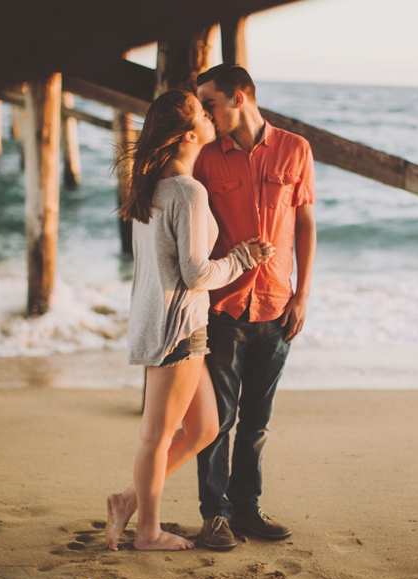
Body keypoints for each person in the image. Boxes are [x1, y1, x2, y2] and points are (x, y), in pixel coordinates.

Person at [105, 88, 275, 552]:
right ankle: (146, 532)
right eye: (202, 113)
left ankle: (127, 501)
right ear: (187, 133)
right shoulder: (187, 190)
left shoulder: (156, 186)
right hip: (177, 325)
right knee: (156, 436)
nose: (209, 118)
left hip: (164, 322)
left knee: (202, 428)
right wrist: (243, 257)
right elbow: (196, 273)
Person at [193, 64, 317, 551]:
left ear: (239, 97)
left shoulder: (295, 149)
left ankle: (247, 509)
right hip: (223, 309)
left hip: (277, 308)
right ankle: (214, 516)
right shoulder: (205, 158)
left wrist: (303, 294)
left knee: (257, 422)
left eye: (210, 103)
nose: (205, 113)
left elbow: (305, 224)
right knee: (217, 420)